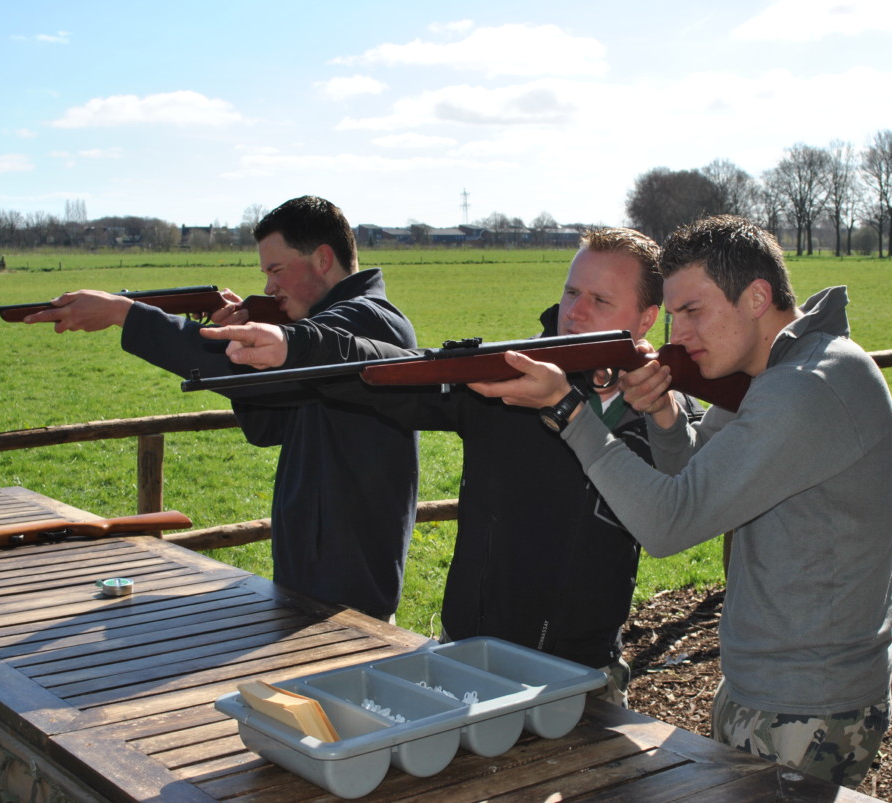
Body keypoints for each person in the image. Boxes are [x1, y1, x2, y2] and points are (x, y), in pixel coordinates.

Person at [467, 214, 892, 789]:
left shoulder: (804, 389)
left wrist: (567, 412)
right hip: (774, 685)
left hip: (806, 701)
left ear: (756, 297)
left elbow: (670, 524)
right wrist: (665, 416)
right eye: (673, 316)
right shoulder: (777, 371)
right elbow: (698, 475)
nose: (680, 335)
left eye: (694, 312)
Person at [204, 227, 703, 704]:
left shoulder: (666, 417)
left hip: (585, 673)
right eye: (572, 292)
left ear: (645, 318)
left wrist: (663, 409)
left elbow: (688, 505)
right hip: (469, 658)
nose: (574, 312)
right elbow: (397, 371)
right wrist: (299, 346)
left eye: (600, 300)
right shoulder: (505, 378)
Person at [22, 196, 418, 620]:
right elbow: (266, 424)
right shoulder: (325, 325)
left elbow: (280, 376)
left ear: (323, 259)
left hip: (350, 584)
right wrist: (234, 337)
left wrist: (127, 314)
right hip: (312, 573)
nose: (269, 287)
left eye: (276, 270)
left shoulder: (369, 322)